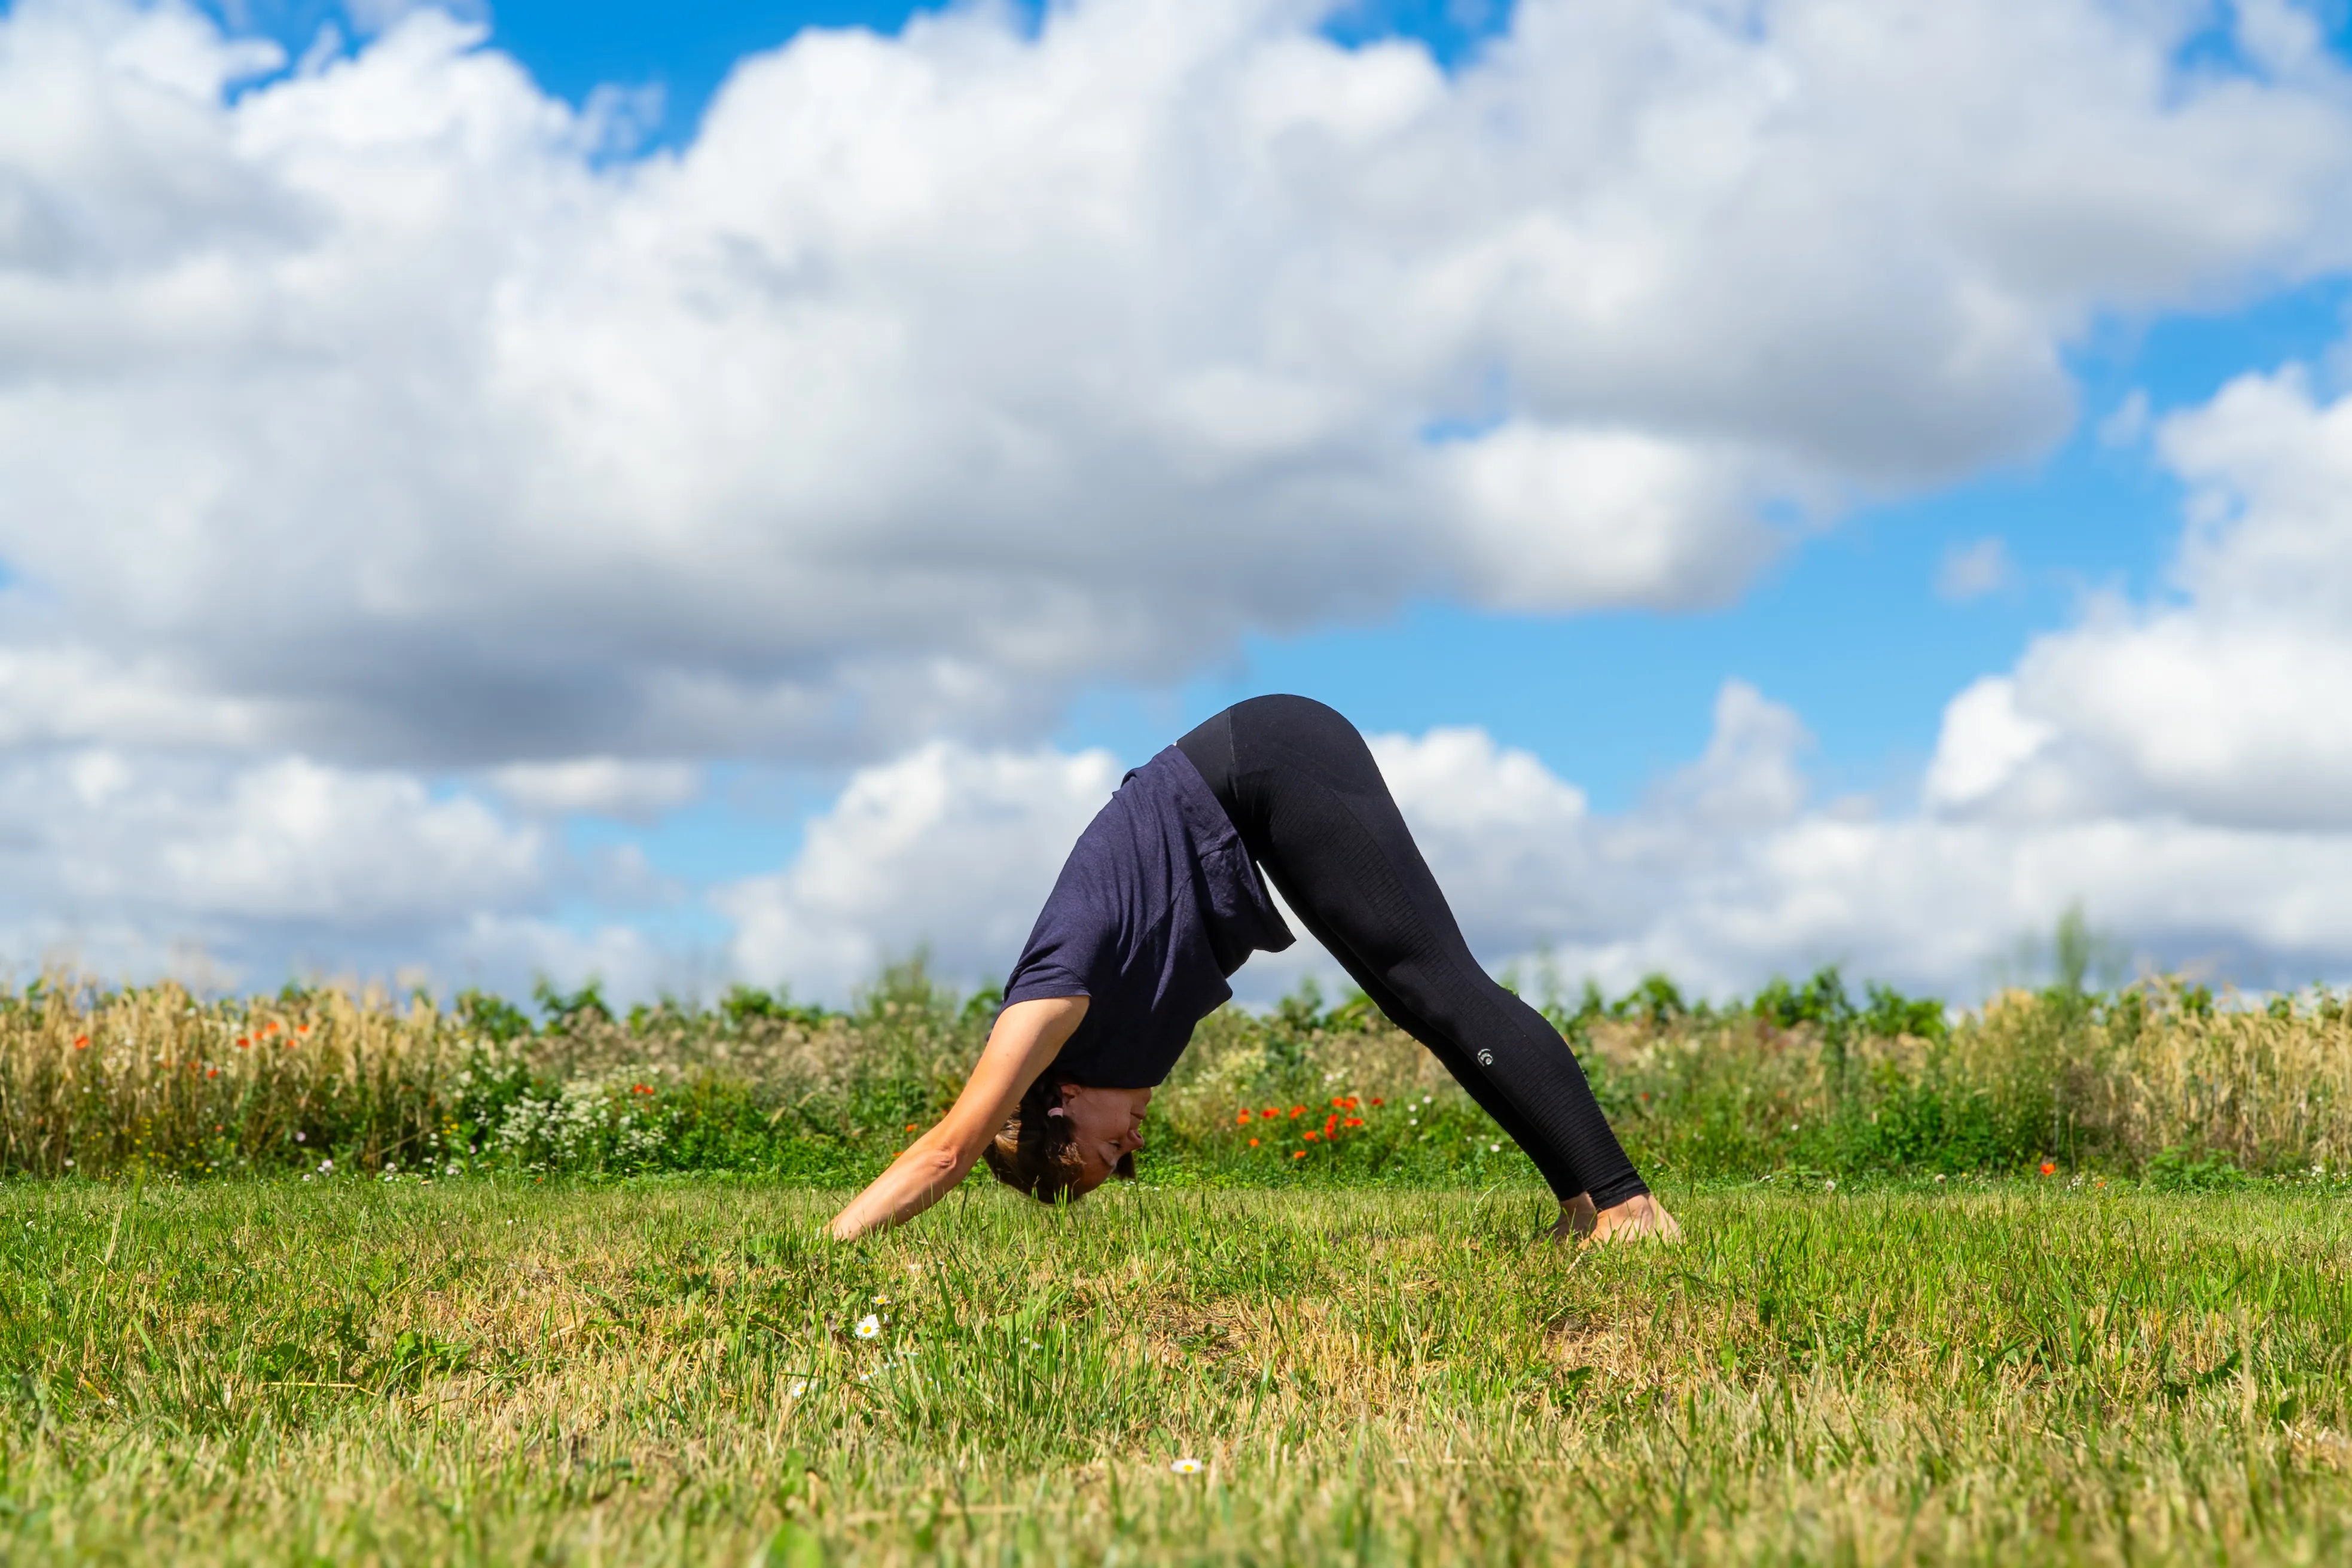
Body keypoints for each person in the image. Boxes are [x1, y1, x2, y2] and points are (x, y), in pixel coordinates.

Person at [826, 695, 1678, 1245]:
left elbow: (948, 1151)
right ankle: (1585, 1206)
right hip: (1257, 784)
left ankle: (1626, 1207)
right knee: (1418, 1000)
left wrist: (829, 1248)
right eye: (1123, 1167)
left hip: (1271, 758)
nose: (1131, 1158)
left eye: (1103, 1158)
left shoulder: (1048, 1001)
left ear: (1059, 1100)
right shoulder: (1098, 1037)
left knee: (1436, 979)